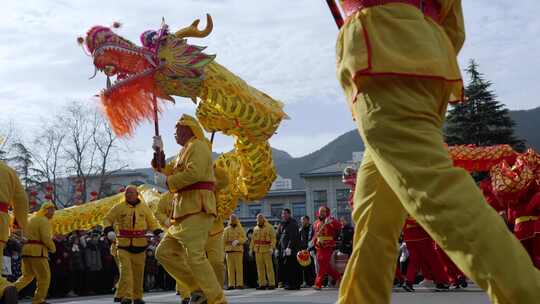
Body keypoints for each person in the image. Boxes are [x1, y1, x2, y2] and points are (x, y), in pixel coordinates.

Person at [334, 0, 540, 302]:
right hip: (426, 55)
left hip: (381, 51)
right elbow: (454, 26)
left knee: (434, 190)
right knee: (375, 215)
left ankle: (526, 292)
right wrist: (421, 44)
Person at [152, 114, 227, 304]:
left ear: (187, 129)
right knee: (163, 253)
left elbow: (195, 173)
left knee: (195, 256)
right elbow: (167, 170)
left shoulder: (198, 146)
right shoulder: (183, 151)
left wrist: (168, 182)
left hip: (197, 209)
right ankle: (198, 289)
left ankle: (216, 299)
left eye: (176, 129)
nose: (174, 133)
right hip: (182, 213)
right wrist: (158, 153)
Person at [103, 185, 162, 304]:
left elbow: (152, 223)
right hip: (123, 245)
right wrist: (109, 230)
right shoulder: (119, 207)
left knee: (139, 273)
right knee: (126, 271)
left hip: (140, 245)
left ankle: (137, 297)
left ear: (137, 194)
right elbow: (107, 219)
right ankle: (127, 297)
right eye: (126, 193)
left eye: (131, 192)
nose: (128, 195)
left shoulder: (145, 208)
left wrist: (159, 233)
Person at [0, 153, 29, 304]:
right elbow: (21, 201)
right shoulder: (9, 171)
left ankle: (4, 287)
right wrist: (17, 229)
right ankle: (4, 288)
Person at [14, 202, 56, 304]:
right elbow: (45, 238)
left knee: (27, 276)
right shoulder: (43, 221)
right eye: (51, 210)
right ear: (46, 210)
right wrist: (52, 248)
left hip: (26, 251)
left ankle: (7, 291)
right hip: (38, 252)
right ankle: (38, 300)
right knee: (44, 277)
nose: (53, 213)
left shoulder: (31, 219)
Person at [311, 206, 342, 290]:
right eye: (321, 211)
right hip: (318, 246)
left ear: (326, 212)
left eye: (324, 211)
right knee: (324, 265)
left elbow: (339, 226)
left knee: (323, 264)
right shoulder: (315, 223)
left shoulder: (330, 220)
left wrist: (332, 222)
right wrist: (312, 244)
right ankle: (339, 277)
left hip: (328, 245)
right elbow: (315, 235)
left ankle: (318, 283)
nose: (322, 213)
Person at [276, 209, 301, 290]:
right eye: (282, 214)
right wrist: (278, 248)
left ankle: (295, 284)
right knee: (287, 267)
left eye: (285, 214)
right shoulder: (282, 224)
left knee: (292, 267)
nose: (283, 215)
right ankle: (289, 283)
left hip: (292, 250)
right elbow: (280, 238)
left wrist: (289, 247)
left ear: (289, 214)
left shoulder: (293, 223)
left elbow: (293, 237)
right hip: (284, 250)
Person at [249, 214, 276, 290]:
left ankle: (271, 283)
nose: (259, 220)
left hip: (267, 249)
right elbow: (253, 240)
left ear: (263, 219)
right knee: (260, 268)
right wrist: (251, 249)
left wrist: (272, 247)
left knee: (269, 267)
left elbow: (273, 238)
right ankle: (262, 284)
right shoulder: (255, 228)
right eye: (258, 219)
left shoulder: (269, 227)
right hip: (258, 250)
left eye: (260, 218)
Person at [223, 214, 246, 290]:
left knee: (239, 268)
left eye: (234, 219)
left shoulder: (240, 229)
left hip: (238, 251)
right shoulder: (226, 229)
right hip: (229, 251)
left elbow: (244, 238)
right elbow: (223, 241)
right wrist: (223, 251)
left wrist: (238, 241)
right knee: (230, 269)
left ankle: (240, 284)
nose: (232, 220)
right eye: (231, 219)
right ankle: (231, 284)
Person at [298, 216, 315, 287]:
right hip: (303, 250)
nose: (302, 221)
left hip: (310, 249)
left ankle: (312, 282)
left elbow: (314, 238)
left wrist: (312, 248)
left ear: (308, 220)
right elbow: (299, 239)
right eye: (301, 220)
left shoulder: (312, 228)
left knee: (311, 267)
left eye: (304, 220)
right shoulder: (300, 229)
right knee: (304, 266)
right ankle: (305, 282)